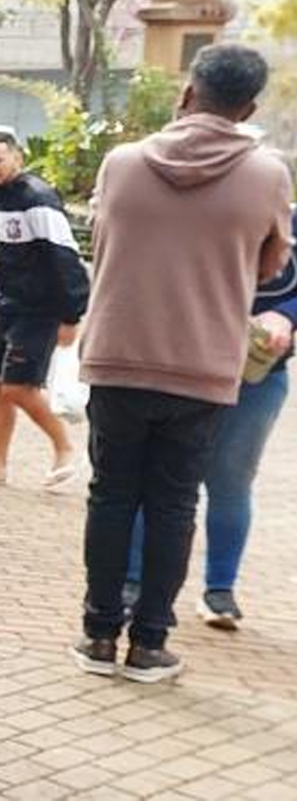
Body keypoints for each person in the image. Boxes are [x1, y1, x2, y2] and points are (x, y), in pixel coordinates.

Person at [74, 42, 290, 684]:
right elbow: (271, 264)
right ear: (249, 107)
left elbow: (101, 239)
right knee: (173, 505)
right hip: (203, 364)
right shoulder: (268, 175)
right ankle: (149, 645)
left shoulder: (122, 163)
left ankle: (96, 635)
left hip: (117, 355)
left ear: (187, 93)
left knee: (110, 497)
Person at [125, 207, 297, 631]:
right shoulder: (203, 210)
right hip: (184, 364)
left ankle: (220, 590)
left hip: (257, 375)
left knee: (230, 480)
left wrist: (287, 315)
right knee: (159, 475)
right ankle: (131, 582)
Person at [0, 131, 90, 489]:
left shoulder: (37, 198)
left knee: (17, 387)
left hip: (39, 309)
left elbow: (64, 256)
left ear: (17, 159)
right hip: (5, 304)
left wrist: (71, 314)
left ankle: (65, 447)